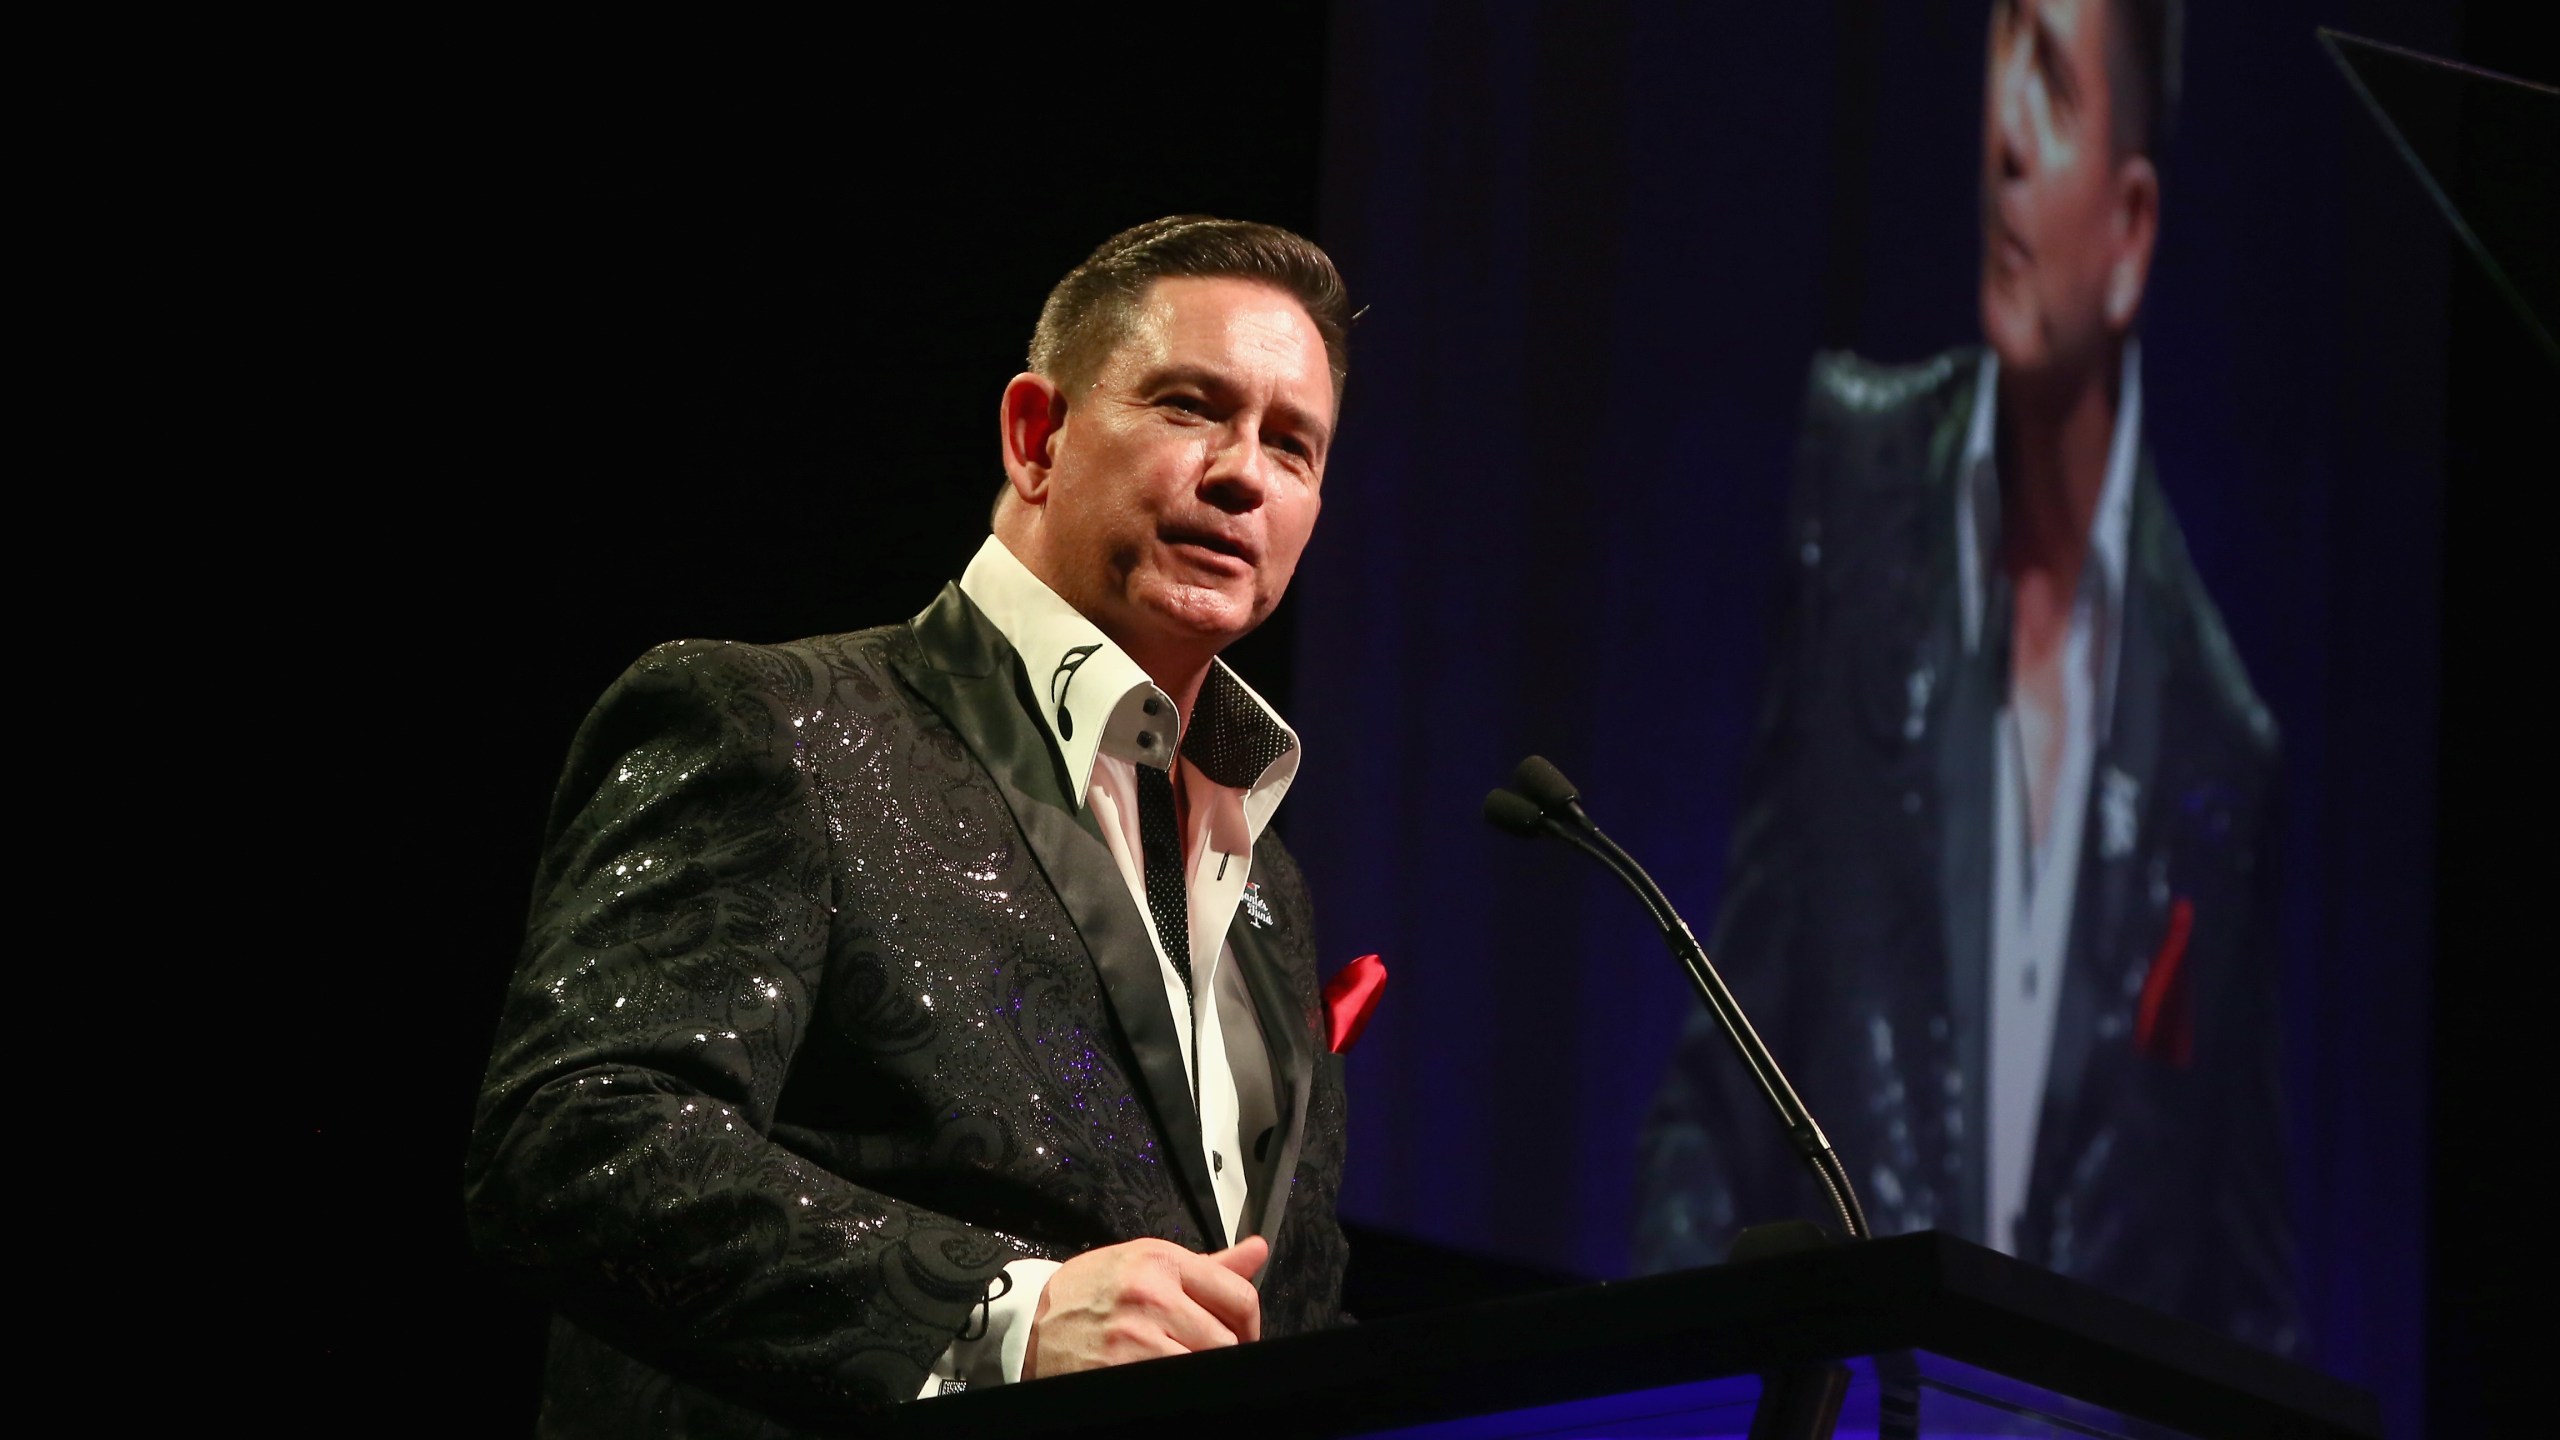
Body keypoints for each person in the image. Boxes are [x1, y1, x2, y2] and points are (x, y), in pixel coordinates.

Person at [466, 216, 1355, 1433]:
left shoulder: (1267, 879)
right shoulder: (777, 720)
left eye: (1292, 445)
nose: (1244, 471)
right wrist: (1005, 1313)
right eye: (1190, 407)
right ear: (1036, 436)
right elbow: (572, 1140)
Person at [1634, 0, 2298, 1352]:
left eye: (2050, 85)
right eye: (2000, 64)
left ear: (2131, 233)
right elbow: (1729, 1068)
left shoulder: (2222, 741)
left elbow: (2247, 1298)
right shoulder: (1860, 481)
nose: (2000, 133)